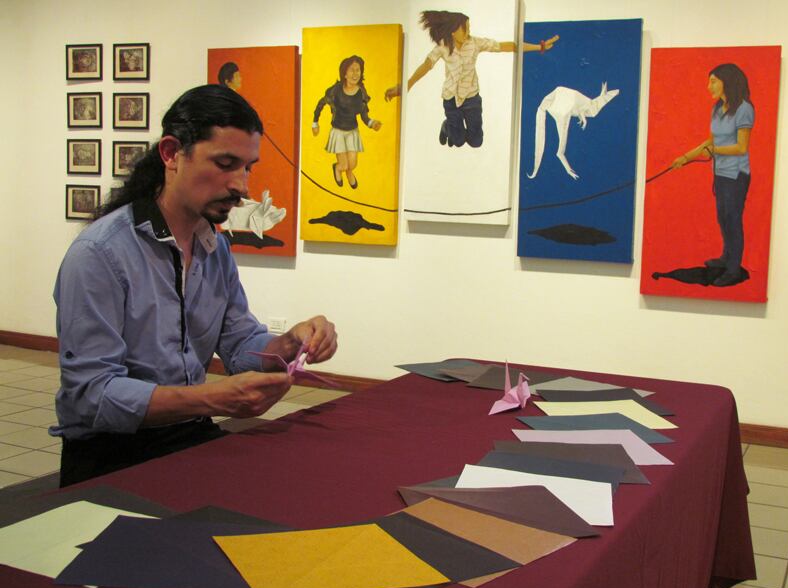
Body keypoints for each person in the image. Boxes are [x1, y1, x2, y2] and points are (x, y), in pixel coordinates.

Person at [51, 84, 338, 486]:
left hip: (188, 435)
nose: (242, 186)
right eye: (225, 163)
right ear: (171, 153)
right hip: (111, 455)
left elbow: (239, 345)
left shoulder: (213, 248)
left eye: (247, 168)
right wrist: (213, 398)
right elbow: (92, 395)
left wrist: (290, 343)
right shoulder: (100, 255)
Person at [385, 11, 558, 148]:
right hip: (451, 99)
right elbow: (426, 66)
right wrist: (405, 86)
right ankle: (448, 126)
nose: (468, 32)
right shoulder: (443, 47)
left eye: (469, 27)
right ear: (453, 31)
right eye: (465, 28)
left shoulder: (475, 43)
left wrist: (539, 46)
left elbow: (507, 46)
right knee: (458, 142)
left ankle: (454, 128)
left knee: (476, 142)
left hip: (471, 99)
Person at [671, 63, 754, 287]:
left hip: (737, 175)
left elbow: (741, 147)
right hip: (720, 173)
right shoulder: (717, 109)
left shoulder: (744, 109)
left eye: (713, 81)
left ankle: (734, 269)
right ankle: (726, 257)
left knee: (733, 220)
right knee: (722, 217)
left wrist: (715, 151)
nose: (709, 86)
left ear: (728, 81)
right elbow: (710, 142)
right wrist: (685, 158)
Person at [311, 55, 382, 189]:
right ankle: (338, 168)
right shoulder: (335, 91)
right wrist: (315, 123)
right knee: (343, 165)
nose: (355, 74)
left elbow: (364, 115)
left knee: (353, 164)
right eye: (352, 70)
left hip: (352, 132)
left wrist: (372, 123)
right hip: (338, 131)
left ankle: (349, 172)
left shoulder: (361, 93)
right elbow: (321, 104)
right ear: (344, 73)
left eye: (358, 70)